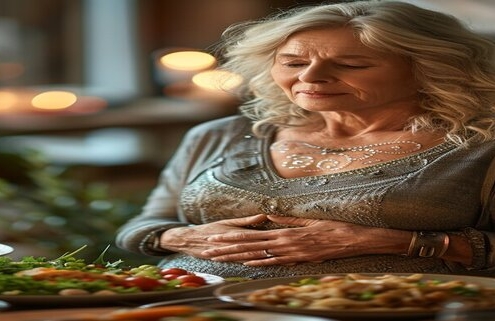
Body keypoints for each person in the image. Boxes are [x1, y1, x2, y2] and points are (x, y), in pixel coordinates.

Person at [116, 0, 495, 278]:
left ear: (430, 68)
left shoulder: (481, 147)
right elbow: (142, 227)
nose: (310, 78)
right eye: (294, 63)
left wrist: (393, 241)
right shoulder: (218, 136)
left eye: (350, 65)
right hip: (185, 303)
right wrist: (182, 238)